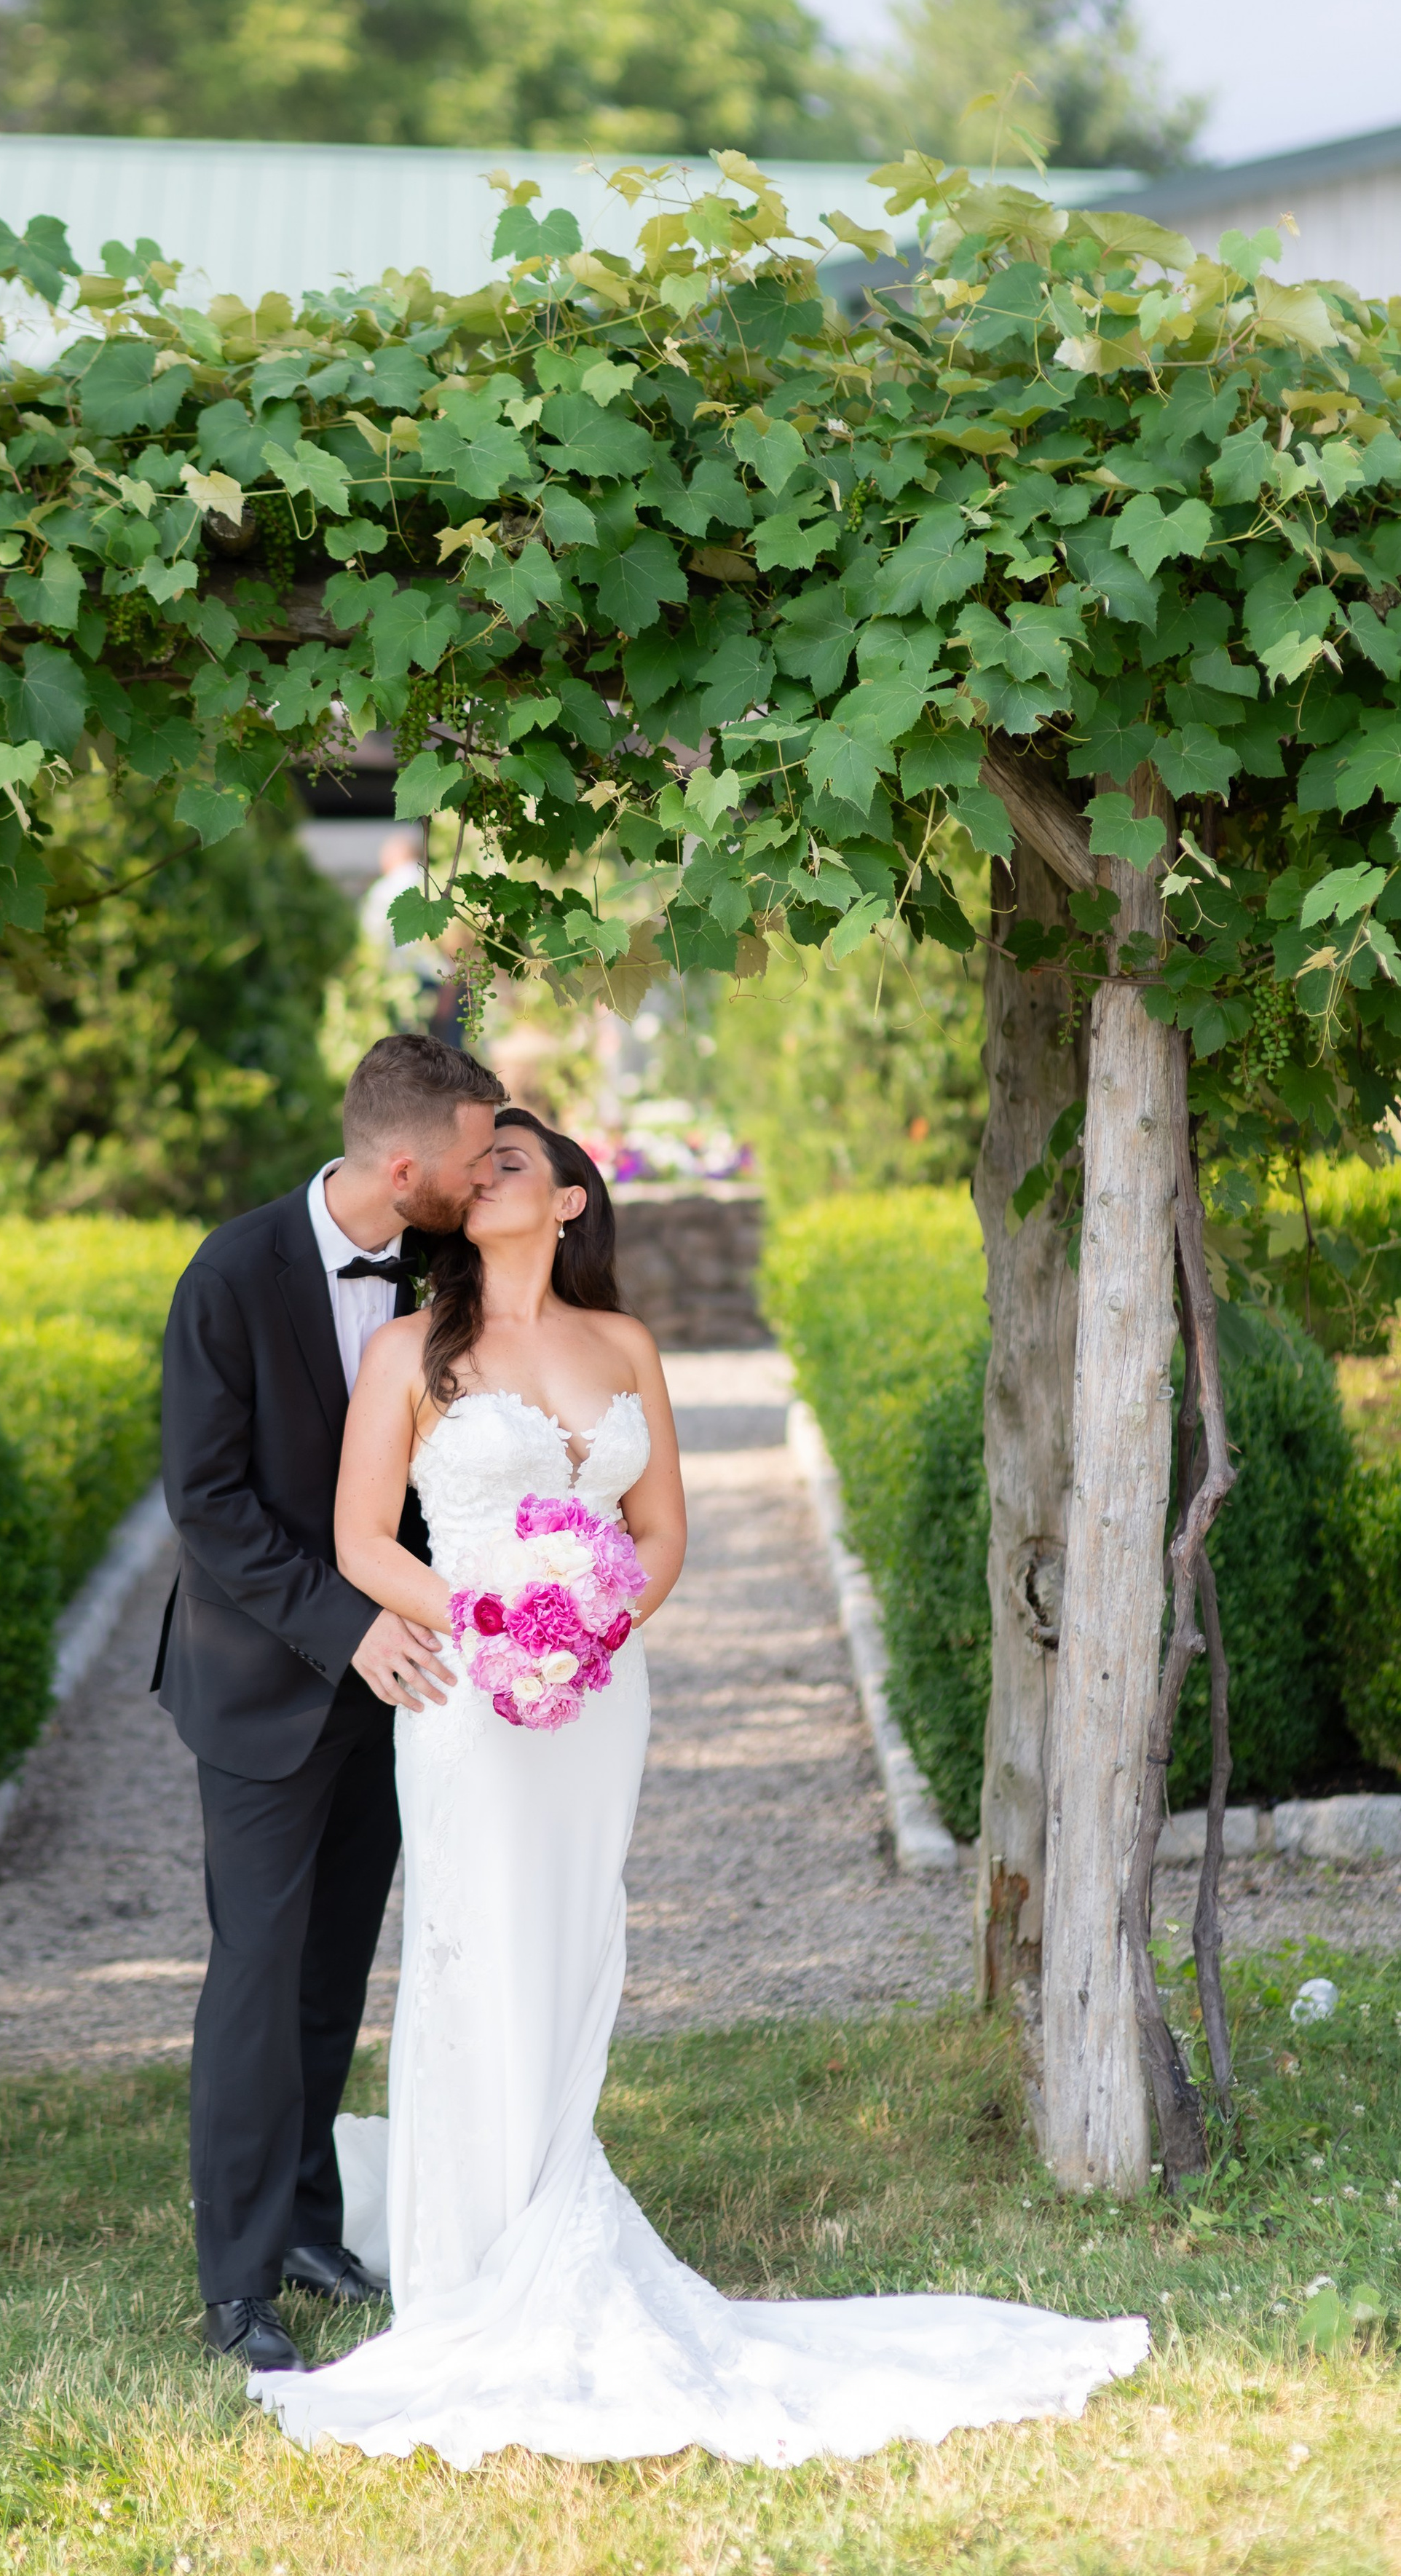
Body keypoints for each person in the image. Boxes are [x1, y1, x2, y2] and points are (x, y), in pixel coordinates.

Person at [250, 1107, 1151, 2466]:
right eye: (474, 1164)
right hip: (469, 1704)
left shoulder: (623, 1349)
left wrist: (601, 1628)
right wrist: (494, 1634)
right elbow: (360, 1539)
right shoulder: (409, 1354)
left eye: (513, 1161)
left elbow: (657, 1531)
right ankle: (469, 2259)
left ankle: (556, 2180)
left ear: (568, 1203)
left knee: (572, 1941)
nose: (486, 1173)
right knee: (469, 1945)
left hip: (599, 1701)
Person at [157, 1032, 507, 2374]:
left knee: (332, 1970)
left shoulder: (439, 1267)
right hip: (262, 1688)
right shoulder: (230, 1275)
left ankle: (308, 2221)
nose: (486, 1178)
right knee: (254, 1977)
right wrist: (350, 1627)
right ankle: (238, 2284)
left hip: (405, 1684)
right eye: (475, 1158)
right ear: (406, 1163)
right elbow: (212, 1506)